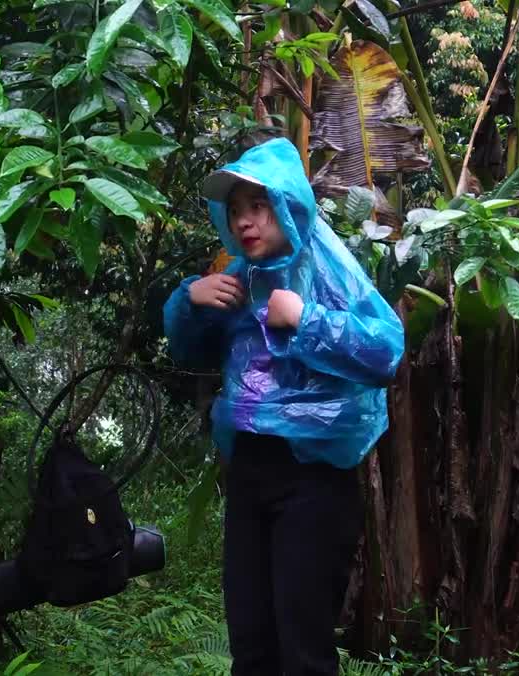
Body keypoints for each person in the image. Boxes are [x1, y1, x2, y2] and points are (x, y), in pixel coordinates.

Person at [162, 138, 406, 675]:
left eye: (258, 206)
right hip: (250, 472)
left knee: (303, 652)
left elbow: (385, 349)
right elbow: (191, 355)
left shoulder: (327, 267)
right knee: (251, 645)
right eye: (235, 212)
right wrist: (189, 301)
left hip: (313, 479)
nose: (245, 222)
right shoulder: (238, 281)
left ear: (289, 206)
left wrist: (305, 317)